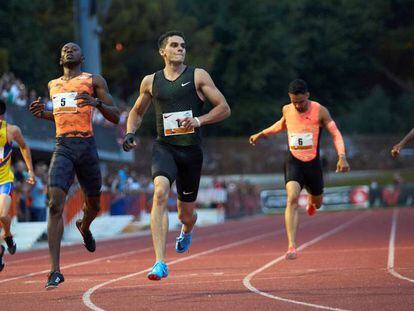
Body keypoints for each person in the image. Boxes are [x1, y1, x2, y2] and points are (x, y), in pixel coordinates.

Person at [123, 31, 231, 280]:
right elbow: (137, 111)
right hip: (165, 148)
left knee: (186, 214)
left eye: (183, 45)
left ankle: (186, 229)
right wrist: (130, 132)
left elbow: (224, 108)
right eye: (174, 45)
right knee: (159, 192)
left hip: (191, 152)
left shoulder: (198, 76)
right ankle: (160, 262)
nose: (180, 48)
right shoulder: (151, 81)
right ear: (163, 51)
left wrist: (197, 120)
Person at [28, 42, 120, 289]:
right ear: (60, 60)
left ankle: (84, 226)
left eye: (74, 48)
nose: (68, 50)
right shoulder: (53, 85)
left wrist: (96, 103)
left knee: (94, 206)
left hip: (87, 147)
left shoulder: (93, 80)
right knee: (54, 203)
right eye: (64, 49)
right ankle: (54, 271)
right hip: (63, 147)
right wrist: (43, 114)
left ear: (82, 57)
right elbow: (60, 114)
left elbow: (116, 115)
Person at [249, 79, 350, 260]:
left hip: (313, 165)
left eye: (301, 102)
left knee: (317, 203)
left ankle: (311, 202)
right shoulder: (287, 109)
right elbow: (280, 125)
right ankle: (291, 246)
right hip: (293, 162)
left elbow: (335, 134)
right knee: (292, 198)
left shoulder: (320, 110)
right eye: (294, 102)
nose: (298, 105)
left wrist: (341, 156)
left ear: (308, 96)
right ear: (290, 98)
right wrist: (261, 134)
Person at [0, 99, 35, 272]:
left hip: (4, 180)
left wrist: (30, 170)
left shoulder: (11, 130)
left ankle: (7, 235)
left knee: (2, 214)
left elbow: (23, 146)